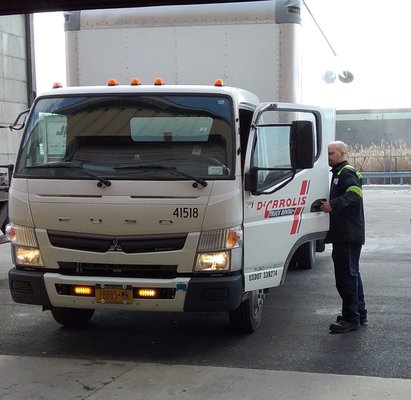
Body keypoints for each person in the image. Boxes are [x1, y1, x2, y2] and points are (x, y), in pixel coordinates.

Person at [320, 141, 367, 333]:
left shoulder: (346, 172)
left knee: (346, 278)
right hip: (347, 234)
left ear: (342, 153)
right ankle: (358, 313)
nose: (328, 156)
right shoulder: (339, 173)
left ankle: (350, 319)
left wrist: (333, 205)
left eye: (331, 153)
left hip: (347, 235)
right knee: (352, 275)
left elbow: (355, 194)